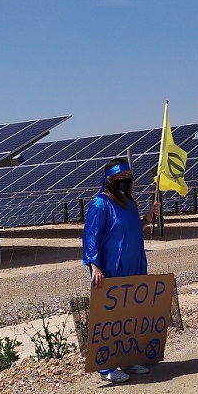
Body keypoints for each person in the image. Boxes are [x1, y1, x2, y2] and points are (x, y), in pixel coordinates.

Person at [82, 158, 160, 382]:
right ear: (110, 180)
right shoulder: (101, 204)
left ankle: (129, 359)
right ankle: (106, 367)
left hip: (135, 265)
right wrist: (94, 265)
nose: (126, 181)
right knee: (111, 318)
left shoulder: (129, 202)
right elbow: (90, 237)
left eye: (129, 177)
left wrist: (148, 218)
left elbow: (134, 228)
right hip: (111, 269)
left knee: (131, 314)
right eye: (121, 178)